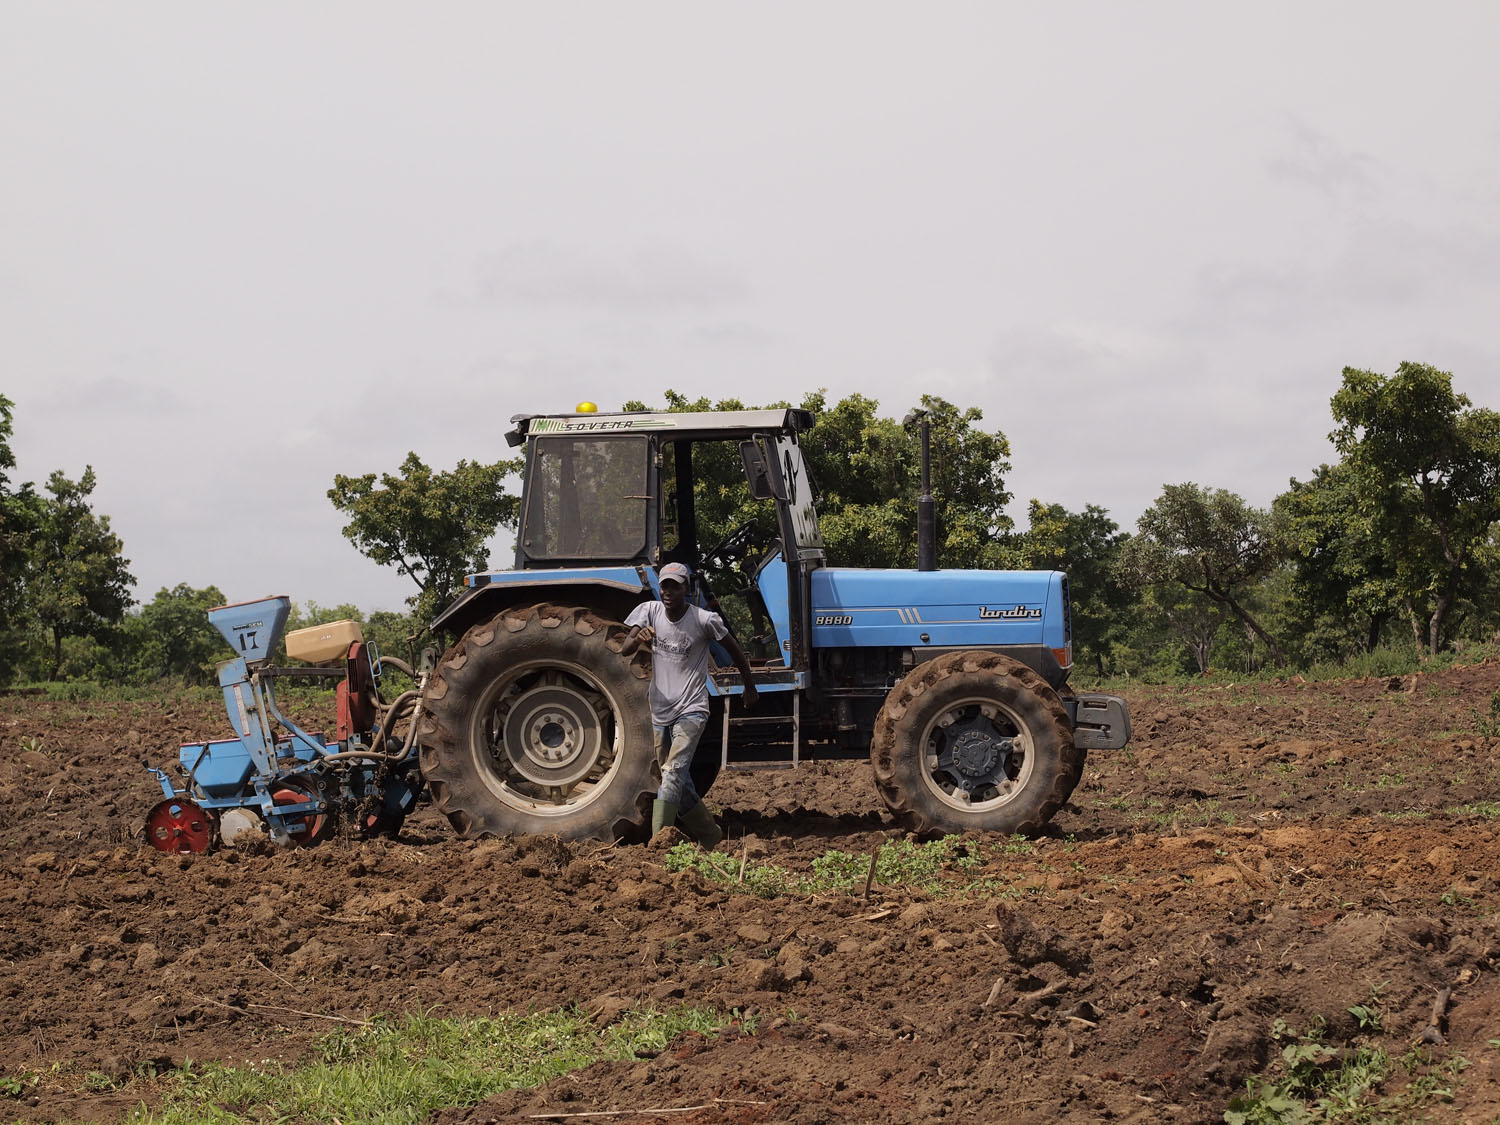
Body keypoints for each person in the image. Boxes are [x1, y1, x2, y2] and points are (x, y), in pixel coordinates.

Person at [620, 561, 757, 846]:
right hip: (660, 710)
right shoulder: (649, 611)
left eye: (675, 586)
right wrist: (638, 638)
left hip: (692, 709)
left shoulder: (704, 620)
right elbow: (625, 648)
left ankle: (659, 843)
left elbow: (736, 652)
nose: (668, 592)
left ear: (687, 589)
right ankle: (710, 835)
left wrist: (749, 686)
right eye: (665, 586)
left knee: (672, 774)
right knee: (677, 782)